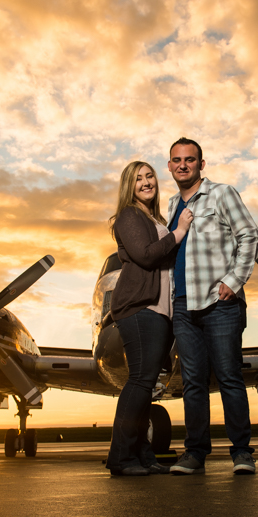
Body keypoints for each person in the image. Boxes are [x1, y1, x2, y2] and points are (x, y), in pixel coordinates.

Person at [165, 137, 258, 476]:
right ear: (169, 166)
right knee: (192, 382)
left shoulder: (222, 193)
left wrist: (234, 282)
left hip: (220, 303)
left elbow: (249, 234)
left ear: (201, 164)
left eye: (190, 159)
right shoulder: (171, 205)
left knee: (229, 377)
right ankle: (195, 453)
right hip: (183, 306)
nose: (183, 165)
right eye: (176, 160)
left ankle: (241, 453)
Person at [105, 160, 193, 476]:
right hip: (140, 308)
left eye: (149, 176)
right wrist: (179, 231)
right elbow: (144, 255)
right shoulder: (129, 215)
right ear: (129, 186)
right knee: (140, 381)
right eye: (138, 178)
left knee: (146, 385)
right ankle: (120, 457)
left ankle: (142, 455)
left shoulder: (154, 218)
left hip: (159, 311)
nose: (146, 182)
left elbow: (166, 255)